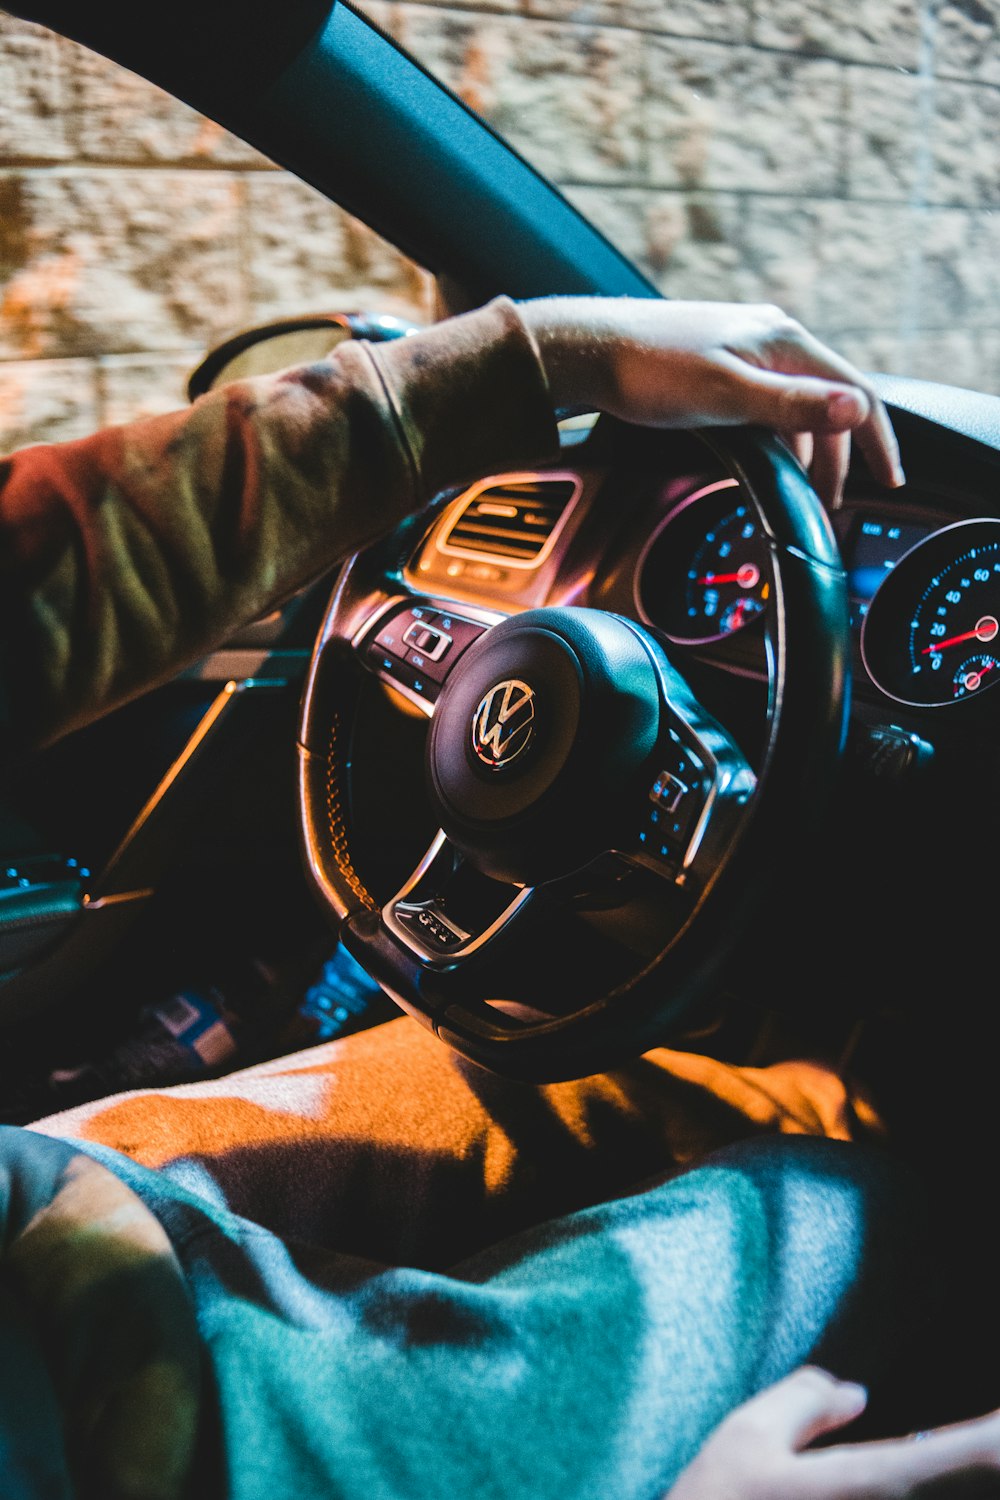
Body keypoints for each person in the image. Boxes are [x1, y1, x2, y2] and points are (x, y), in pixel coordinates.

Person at [0, 293, 995, 1499]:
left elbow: (37, 583)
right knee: (867, 1203)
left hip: (34, 1247)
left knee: (500, 1085)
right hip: (149, 1448)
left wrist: (536, 360)